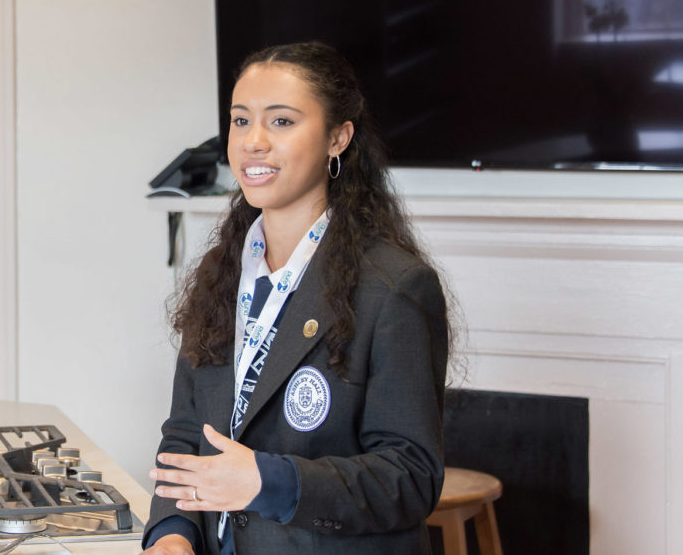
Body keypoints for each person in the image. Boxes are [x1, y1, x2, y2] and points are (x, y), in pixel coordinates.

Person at [141, 41, 451, 555]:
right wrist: (172, 533)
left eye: (281, 122)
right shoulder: (223, 275)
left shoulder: (395, 288)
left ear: (338, 137)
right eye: (240, 121)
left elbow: (409, 478)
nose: (252, 142)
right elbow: (185, 434)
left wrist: (268, 480)